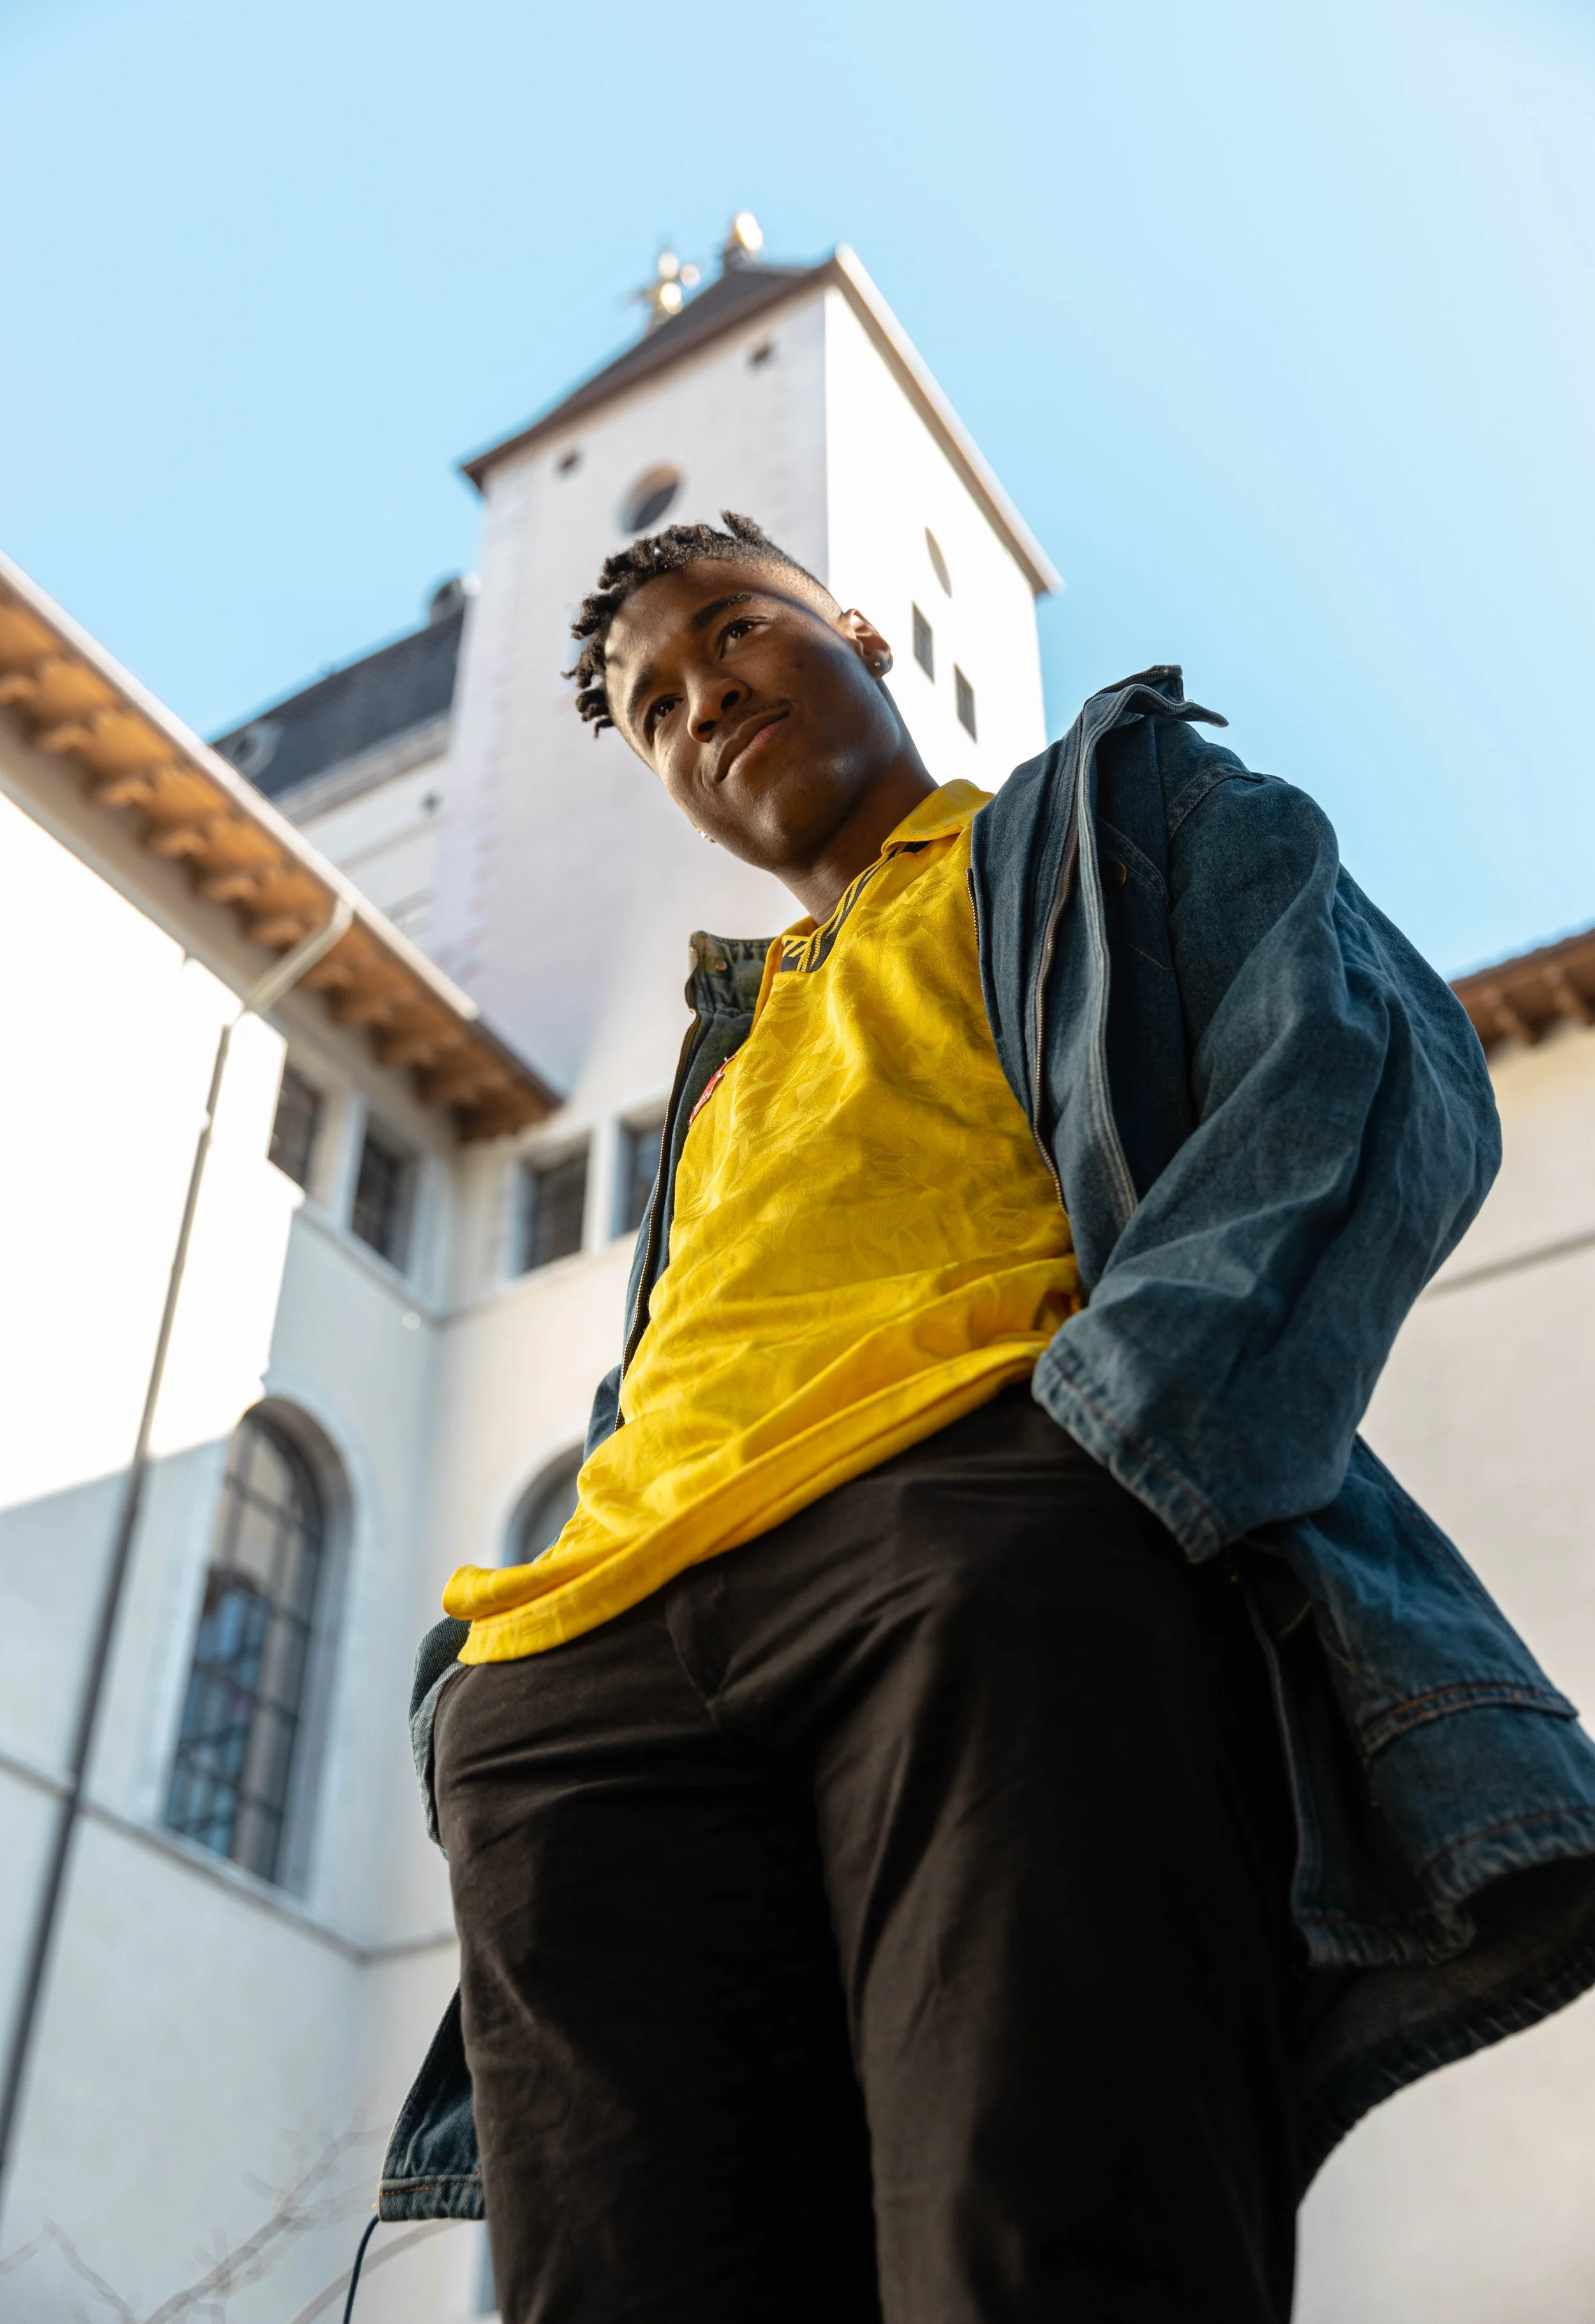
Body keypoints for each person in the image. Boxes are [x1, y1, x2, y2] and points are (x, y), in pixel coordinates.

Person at [379, 515, 1595, 2323]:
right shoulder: (730, 1050)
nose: (701, 696)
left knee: (1032, 2233)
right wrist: (484, 1683)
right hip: (581, 1680)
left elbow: (1357, 1070)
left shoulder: (1103, 824)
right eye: (649, 707)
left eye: (732, 632)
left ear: (856, 631)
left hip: (973, 1556)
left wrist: (1117, 1455)